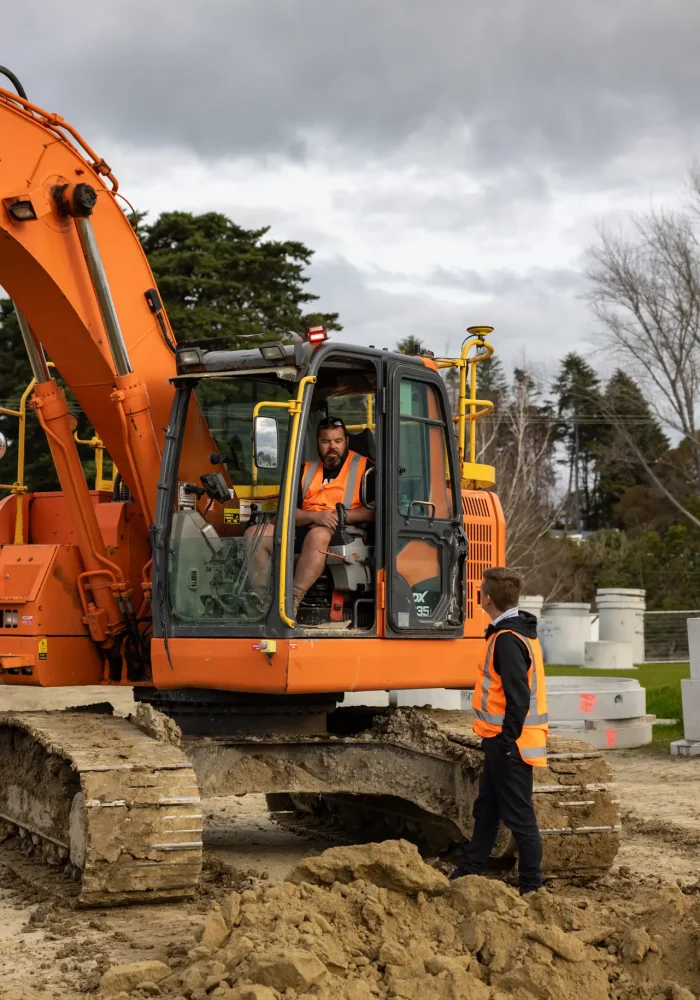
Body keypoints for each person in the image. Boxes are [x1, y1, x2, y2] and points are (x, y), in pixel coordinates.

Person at [450, 566, 548, 895]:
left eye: (480, 591)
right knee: (487, 808)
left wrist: (506, 742)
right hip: (502, 740)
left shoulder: (507, 640)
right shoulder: (513, 633)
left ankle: (531, 889)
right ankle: (470, 870)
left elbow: (518, 698)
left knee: (519, 817)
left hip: (512, 744)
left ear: (487, 598)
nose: (478, 594)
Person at [247, 416, 374, 618]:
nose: (332, 447)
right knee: (255, 533)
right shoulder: (304, 470)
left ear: (347, 442)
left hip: (343, 530)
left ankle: (291, 601)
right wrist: (316, 517)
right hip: (305, 525)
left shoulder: (366, 467)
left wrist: (338, 516)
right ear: (317, 443)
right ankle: (260, 600)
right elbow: (286, 512)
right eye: (326, 441)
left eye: (338, 441)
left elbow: (374, 511)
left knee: (318, 536)